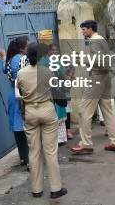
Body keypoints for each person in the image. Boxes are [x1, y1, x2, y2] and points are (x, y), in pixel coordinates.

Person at [16, 43, 68, 199]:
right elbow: (55, 90)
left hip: (30, 111)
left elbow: (20, 94)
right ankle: (55, 189)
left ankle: (36, 189)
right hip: (47, 110)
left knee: (34, 151)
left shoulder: (21, 73)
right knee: (50, 151)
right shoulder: (47, 71)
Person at [71, 20, 115, 155]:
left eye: (83, 30)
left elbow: (100, 62)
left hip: (97, 77)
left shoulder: (94, 41)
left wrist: (81, 59)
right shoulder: (101, 40)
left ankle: (86, 144)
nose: (82, 32)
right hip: (105, 78)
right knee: (108, 111)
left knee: (83, 111)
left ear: (90, 29)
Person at [0, 36, 29, 168]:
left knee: (17, 127)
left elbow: (4, 69)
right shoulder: (22, 59)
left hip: (13, 95)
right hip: (23, 95)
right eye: (27, 45)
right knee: (26, 126)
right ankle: (29, 158)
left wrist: (4, 56)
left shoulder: (10, 59)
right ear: (22, 47)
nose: (28, 46)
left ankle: (23, 156)